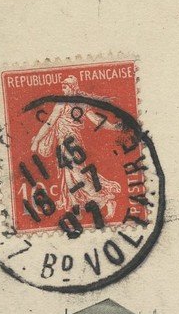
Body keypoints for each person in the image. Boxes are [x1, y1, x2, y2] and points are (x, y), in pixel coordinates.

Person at [30, 75, 122, 219]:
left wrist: (113, 127)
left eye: (66, 86)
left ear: (73, 87)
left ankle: (106, 200)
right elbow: (49, 123)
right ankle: (77, 208)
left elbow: (96, 120)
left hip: (72, 145)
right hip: (64, 145)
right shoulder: (69, 104)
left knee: (76, 176)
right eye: (63, 86)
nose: (63, 89)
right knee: (71, 177)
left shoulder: (74, 104)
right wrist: (37, 140)